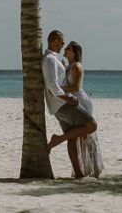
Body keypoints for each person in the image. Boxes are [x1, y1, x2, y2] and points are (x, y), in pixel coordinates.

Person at [41, 30, 101, 178]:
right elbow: (52, 85)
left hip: (60, 104)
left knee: (72, 137)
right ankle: (57, 140)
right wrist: (68, 99)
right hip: (63, 104)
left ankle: (79, 174)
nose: (62, 46)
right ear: (55, 41)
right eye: (62, 43)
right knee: (92, 126)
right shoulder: (50, 60)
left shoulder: (55, 60)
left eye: (66, 46)